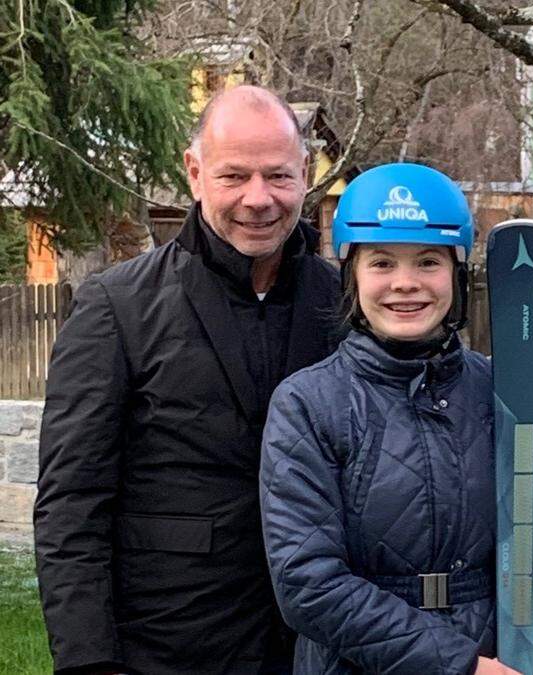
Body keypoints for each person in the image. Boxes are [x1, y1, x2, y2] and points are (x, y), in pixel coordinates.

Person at [34, 85, 342, 673]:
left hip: (317, 644)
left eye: (278, 176)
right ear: (194, 173)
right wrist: (89, 662)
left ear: (305, 173)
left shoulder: (345, 307)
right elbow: (72, 505)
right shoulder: (118, 308)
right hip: (167, 643)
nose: (259, 199)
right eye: (234, 177)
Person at [259, 163, 533, 674]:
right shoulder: (308, 404)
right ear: (352, 275)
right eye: (382, 263)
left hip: (498, 658)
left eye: (428, 262)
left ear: (455, 272)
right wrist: (461, 666)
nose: (405, 284)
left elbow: (523, 530)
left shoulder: (502, 391)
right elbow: (308, 586)